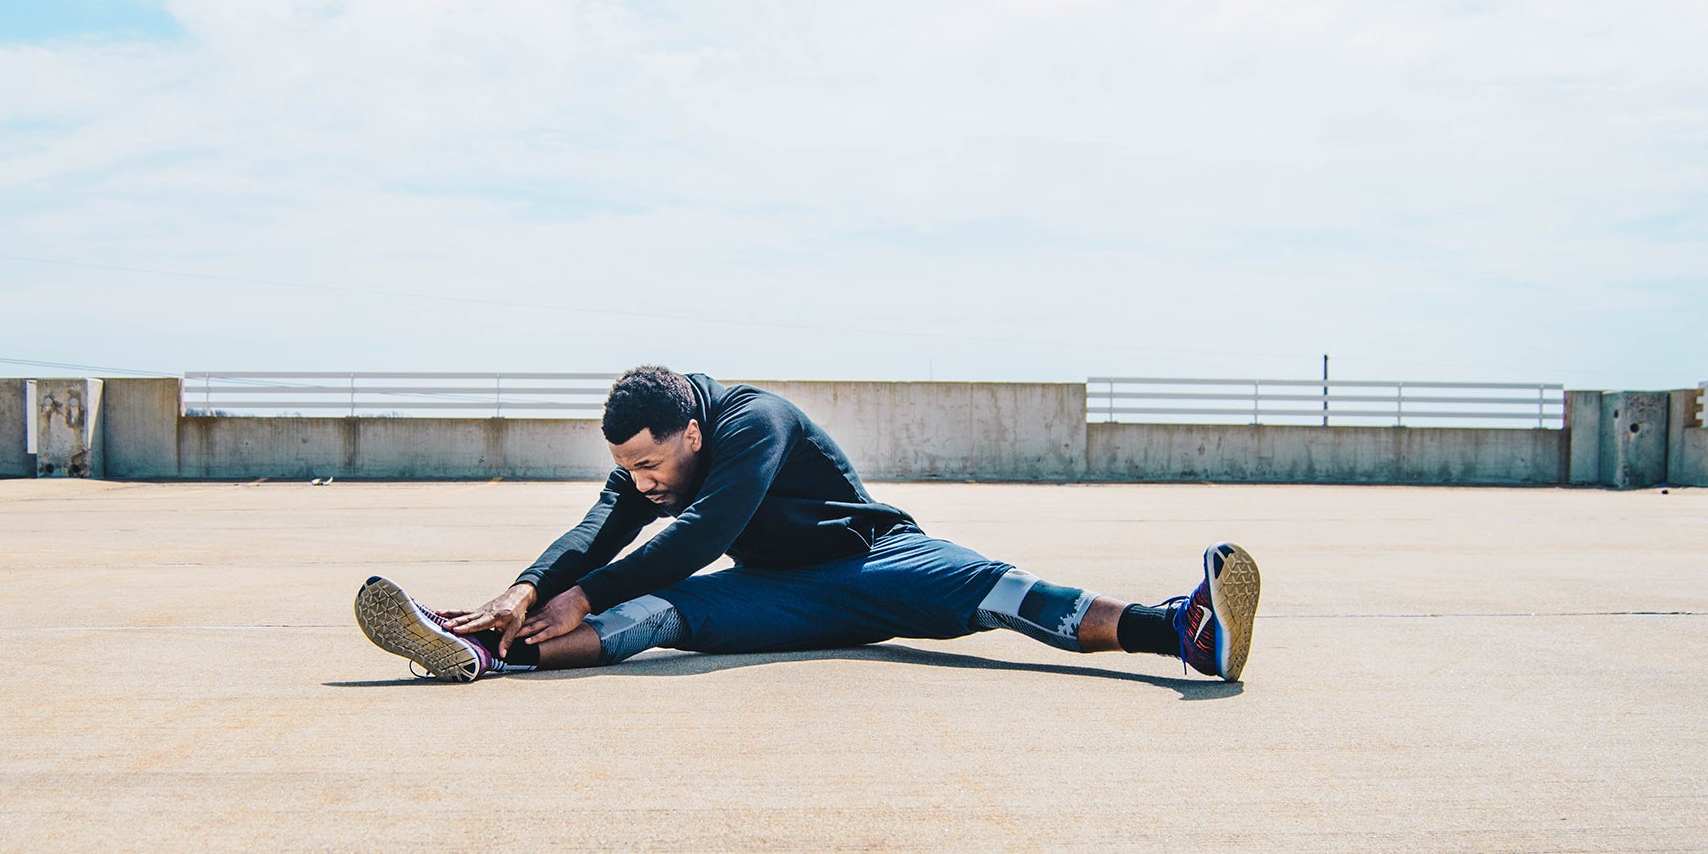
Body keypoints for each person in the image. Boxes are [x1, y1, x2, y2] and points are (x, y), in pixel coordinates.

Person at [353, 366, 1261, 683]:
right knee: (662, 615)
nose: (641, 483)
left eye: (653, 466)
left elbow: (705, 529)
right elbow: (602, 526)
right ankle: (482, 651)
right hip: (776, 598)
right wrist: (528, 589)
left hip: (876, 562)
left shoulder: (757, 422)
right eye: (631, 467)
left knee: (1001, 591)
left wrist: (582, 588)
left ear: (695, 434)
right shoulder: (652, 461)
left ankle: (1182, 629)